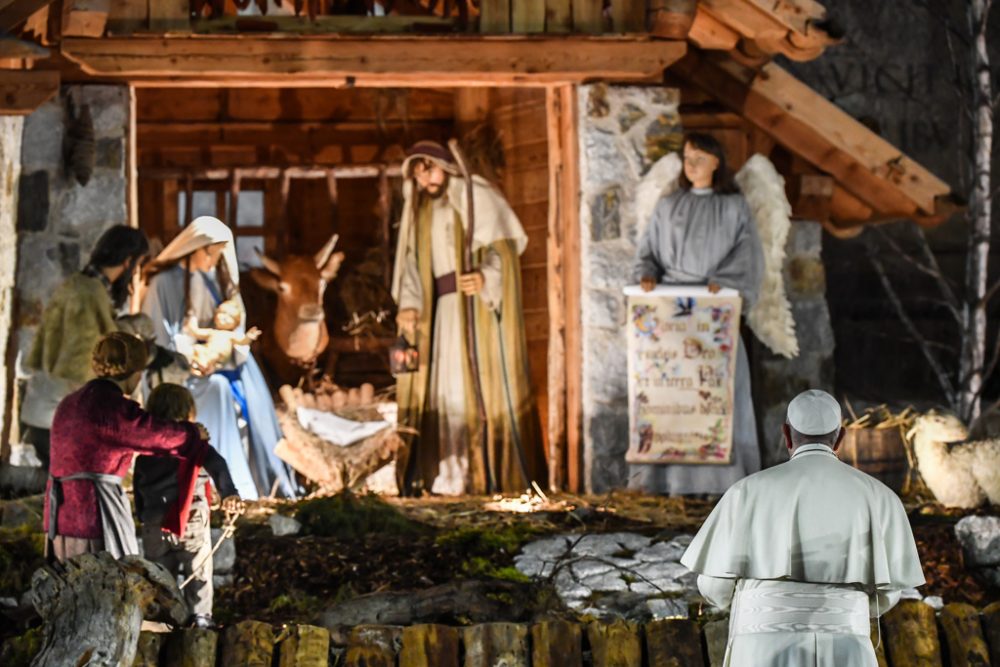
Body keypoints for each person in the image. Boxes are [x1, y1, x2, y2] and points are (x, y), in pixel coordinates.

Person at [681, 389, 925, 666]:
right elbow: (888, 594)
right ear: (840, 438)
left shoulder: (745, 492)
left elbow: (714, 585)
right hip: (847, 648)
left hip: (762, 650)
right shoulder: (881, 497)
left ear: (786, 434)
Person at [391, 140, 545, 495]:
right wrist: (411, 304)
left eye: (427, 168)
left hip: (474, 310)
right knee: (443, 388)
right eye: (416, 173)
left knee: (470, 387)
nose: (424, 178)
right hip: (439, 313)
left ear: (445, 166)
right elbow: (412, 265)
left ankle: (482, 472)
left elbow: (503, 251)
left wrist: (486, 276)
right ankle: (447, 473)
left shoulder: (478, 197)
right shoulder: (420, 212)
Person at [630, 132, 764, 495]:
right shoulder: (668, 205)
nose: (691, 166)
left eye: (699, 159)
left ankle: (723, 483)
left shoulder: (734, 207)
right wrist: (647, 275)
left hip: (712, 314)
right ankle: (668, 482)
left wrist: (723, 280)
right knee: (675, 395)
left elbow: (748, 255)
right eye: (687, 158)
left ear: (717, 162)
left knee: (716, 393)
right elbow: (649, 251)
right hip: (672, 318)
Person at [142, 215, 297, 500]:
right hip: (180, 370)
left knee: (240, 386)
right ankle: (216, 476)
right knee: (219, 390)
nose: (216, 260)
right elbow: (160, 335)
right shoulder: (164, 283)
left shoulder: (211, 281)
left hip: (215, 361)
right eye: (213, 252)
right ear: (197, 248)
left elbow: (227, 323)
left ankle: (242, 478)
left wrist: (222, 348)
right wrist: (191, 356)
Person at [43, 333, 216, 562]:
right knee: (107, 585)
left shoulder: (70, 402)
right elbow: (154, 434)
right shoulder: (112, 407)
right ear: (134, 372)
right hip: (94, 514)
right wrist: (193, 433)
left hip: (60, 515)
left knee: (68, 587)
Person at [22, 225, 150, 467]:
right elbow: (79, 361)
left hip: (48, 408)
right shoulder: (88, 292)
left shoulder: (81, 285)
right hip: (56, 414)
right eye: (137, 265)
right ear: (128, 261)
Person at [134, 383, 243, 629]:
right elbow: (218, 464)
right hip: (190, 518)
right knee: (200, 571)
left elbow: (139, 488)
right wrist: (229, 493)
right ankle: (200, 618)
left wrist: (142, 515)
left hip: (154, 524)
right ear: (188, 412)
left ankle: (165, 619)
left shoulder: (147, 451)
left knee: (161, 576)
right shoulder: (194, 444)